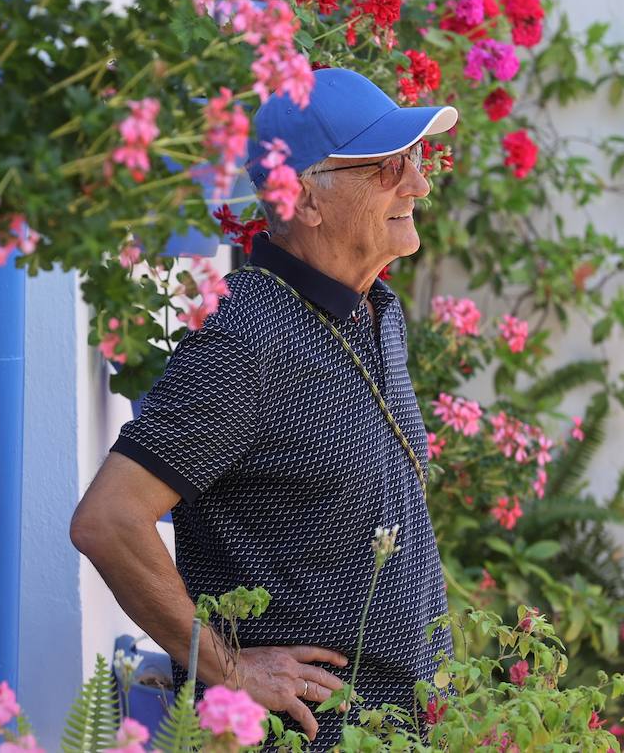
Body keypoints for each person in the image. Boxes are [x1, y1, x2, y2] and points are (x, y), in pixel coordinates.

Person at [70, 68, 458, 747]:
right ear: (305, 198)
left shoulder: (375, 311)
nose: (418, 184)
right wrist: (228, 670)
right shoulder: (246, 339)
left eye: (415, 160)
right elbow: (108, 519)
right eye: (389, 167)